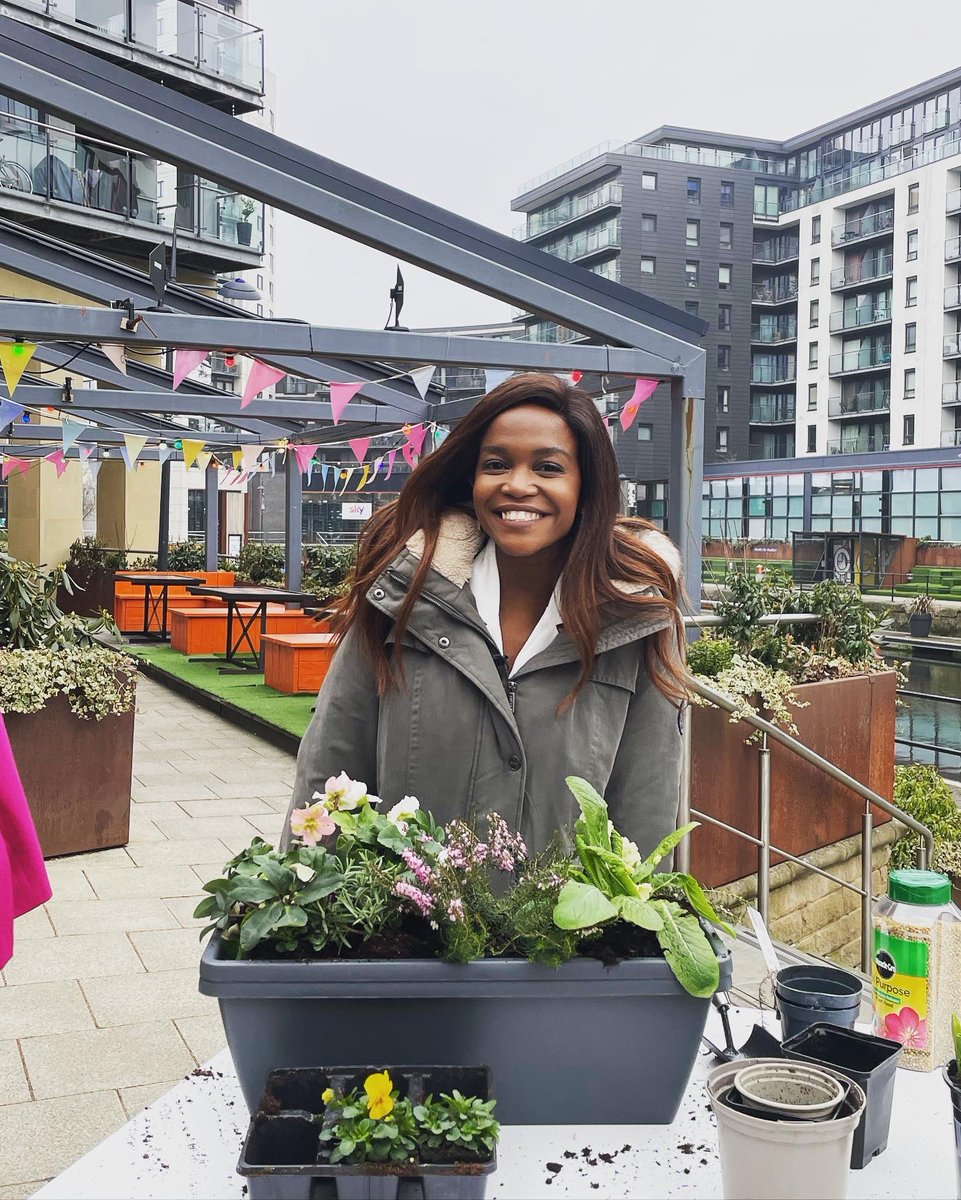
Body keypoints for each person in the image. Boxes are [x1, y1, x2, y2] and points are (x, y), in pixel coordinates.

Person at [286, 373, 689, 855]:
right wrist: (299, 888)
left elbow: (646, 810)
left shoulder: (635, 619)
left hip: (566, 907)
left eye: (548, 468)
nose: (517, 485)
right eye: (496, 464)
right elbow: (331, 762)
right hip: (405, 904)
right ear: (472, 478)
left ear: (586, 486)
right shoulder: (403, 594)